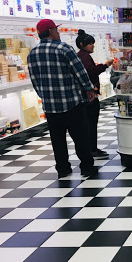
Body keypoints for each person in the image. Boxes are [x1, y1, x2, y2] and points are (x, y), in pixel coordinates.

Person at [28, 19, 98, 178]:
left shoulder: (33, 53)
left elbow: (34, 79)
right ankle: (86, 167)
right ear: (51, 31)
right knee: (81, 137)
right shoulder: (64, 48)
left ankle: (63, 169)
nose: (58, 33)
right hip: (72, 102)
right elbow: (80, 71)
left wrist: (44, 96)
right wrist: (89, 88)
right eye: (56, 30)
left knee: (57, 139)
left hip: (50, 106)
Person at [75, 30, 114, 160]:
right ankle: (92, 149)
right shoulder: (84, 56)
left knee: (88, 124)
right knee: (91, 123)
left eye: (93, 43)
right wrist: (105, 65)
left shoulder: (82, 55)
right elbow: (90, 72)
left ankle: (91, 149)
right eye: (90, 43)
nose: (93, 46)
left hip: (86, 95)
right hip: (89, 96)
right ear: (82, 44)